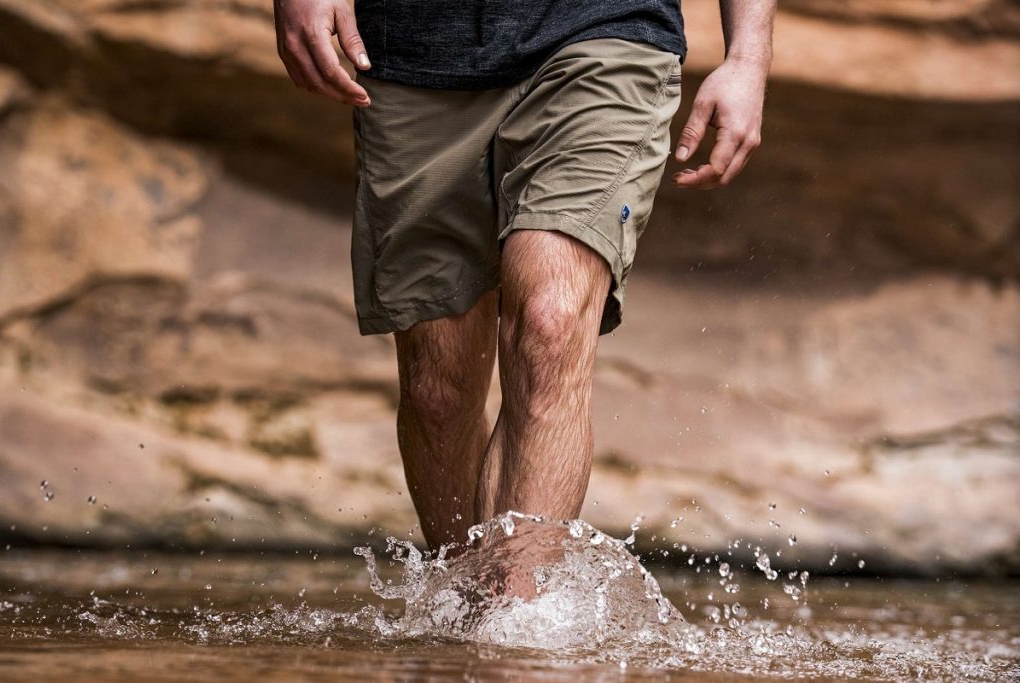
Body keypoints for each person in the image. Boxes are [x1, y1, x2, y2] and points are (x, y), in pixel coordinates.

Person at [273, 0, 776, 551]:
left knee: (550, 322)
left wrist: (748, 56)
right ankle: (464, 610)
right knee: (437, 390)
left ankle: (517, 614)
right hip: (415, 53)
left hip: (608, 33)